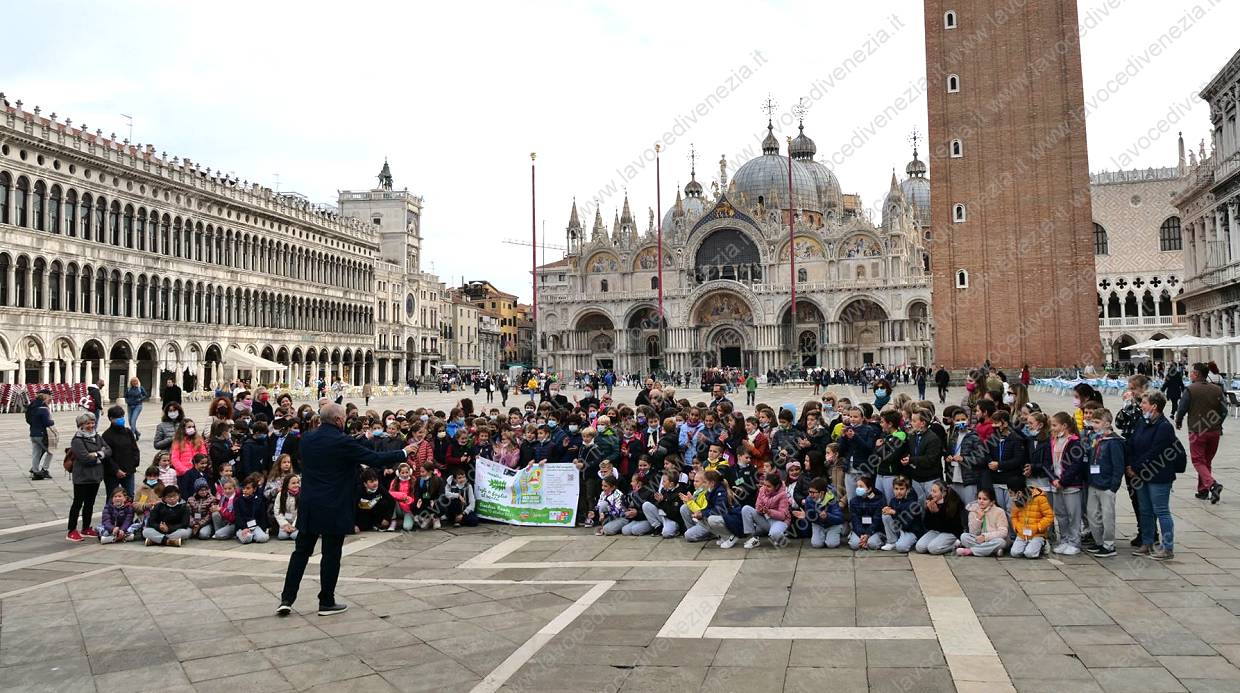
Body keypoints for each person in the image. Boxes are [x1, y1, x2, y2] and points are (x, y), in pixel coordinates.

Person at [279, 402, 416, 617]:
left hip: (310, 504)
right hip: (334, 504)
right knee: (331, 554)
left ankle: (286, 598)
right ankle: (326, 601)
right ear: (338, 420)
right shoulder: (342, 441)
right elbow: (373, 459)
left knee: (301, 552)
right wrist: (403, 453)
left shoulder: (306, 439)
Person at [1127, 391, 1179, 561]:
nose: (1141, 406)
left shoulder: (1164, 426)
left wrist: (1136, 467)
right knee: (1145, 510)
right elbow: (1133, 442)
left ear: (1154, 406)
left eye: (1144, 403)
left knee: (1161, 510)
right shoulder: (1142, 422)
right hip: (1141, 475)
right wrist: (1130, 464)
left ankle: (1167, 547)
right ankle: (1147, 542)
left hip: (1159, 475)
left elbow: (1156, 452)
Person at [1175, 362, 1226, 504]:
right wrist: (1218, 423)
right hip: (1214, 431)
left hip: (1197, 431)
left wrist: (1178, 421)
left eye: (1192, 372)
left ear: (1196, 374)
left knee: (1198, 460)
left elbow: (1182, 408)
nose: (1190, 374)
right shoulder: (1217, 390)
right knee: (1206, 461)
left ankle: (1213, 485)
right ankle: (1203, 490)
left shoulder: (1190, 389)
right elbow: (1224, 410)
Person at [67, 413, 110, 542]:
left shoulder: (97, 436)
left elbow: (108, 450)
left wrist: (96, 454)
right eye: (87, 423)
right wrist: (100, 455)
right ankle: (71, 530)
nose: (91, 426)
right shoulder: (77, 440)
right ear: (81, 425)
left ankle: (86, 527)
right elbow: (84, 458)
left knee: (90, 503)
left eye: (92, 423)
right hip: (82, 476)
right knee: (78, 503)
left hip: (95, 476)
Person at [1048, 412, 1087, 556]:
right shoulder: (1053, 440)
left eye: (1054, 425)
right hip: (1055, 484)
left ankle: (1074, 542)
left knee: (1073, 515)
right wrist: (1053, 478)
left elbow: (1075, 465)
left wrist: (1063, 481)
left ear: (1064, 426)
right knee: (1060, 514)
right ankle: (1064, 539)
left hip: (1071, 485)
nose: (1052, 428)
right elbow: (1048, 462)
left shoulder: (1075, 442)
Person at [741, 472, 791, 549]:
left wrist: (769, 511)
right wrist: (760, 509)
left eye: (768, 486)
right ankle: (753, 538)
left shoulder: (783, 494)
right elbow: (757, 507)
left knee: (775, 534)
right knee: (746, 509)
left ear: (776, 486)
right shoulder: (762, 490)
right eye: (764, 485)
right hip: (765, 519)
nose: (765, 487)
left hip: (779, 521)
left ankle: (781, 537)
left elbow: (783, 516)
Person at [101, 405, 140, 501]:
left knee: (129, 495)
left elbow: (135, 448)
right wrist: (116, 470)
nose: (121, 419)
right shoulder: (106, 435)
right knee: (112, 496)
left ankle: (128, 515)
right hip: (112, 473)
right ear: (111, 419)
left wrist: (134, 463)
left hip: (128, 470)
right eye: (118, 417)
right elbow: (107, 457)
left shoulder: (128, 432)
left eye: (122, 416)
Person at [1007, 478, 1053, 559]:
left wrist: (1038, 527)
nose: (1010, 495)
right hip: (1022, 533)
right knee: (1015, 553)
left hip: (1037, 533)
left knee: (1030, 554)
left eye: (1011, 493)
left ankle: (1044, 543)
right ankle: (1031, 545)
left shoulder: (1040, 498)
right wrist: (1017, 528)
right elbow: (1014, 516)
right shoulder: (1016, 501)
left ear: (1019, 493)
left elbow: (1049, 516)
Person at [915, 481, 964, 555]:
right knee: (920, 547)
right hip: (936, 531)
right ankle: (939, 543)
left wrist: (938, 512)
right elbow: (927, 525)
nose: (932, 494)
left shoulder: (954, 502)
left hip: (951, 532)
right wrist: (930, 512)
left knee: (933, 549)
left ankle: (955, 545)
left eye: (934, 491)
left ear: (943, 493)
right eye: (931, 491)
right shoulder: (931, 500)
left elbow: (953, 526)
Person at [957, 487, 1008, 557]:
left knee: (1001, 542)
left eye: (985, 499)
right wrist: (979, 519)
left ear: (992, 502)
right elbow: (973, 533)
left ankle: (971, 551)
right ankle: (992, 550)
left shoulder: (999, 511)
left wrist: (985, 537)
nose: (981, 501)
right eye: (979, 498)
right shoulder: (973, 511)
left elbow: (1003, 532)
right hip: (978, 540)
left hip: (993, 540)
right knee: (964, 536)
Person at [880, 476, 922, 553]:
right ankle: (892, 542)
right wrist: (886, 510)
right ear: (893, 489)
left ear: (907, 489)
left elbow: (906, 524)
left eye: (902, 489)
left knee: (901, 548)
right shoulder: (893, 500)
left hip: (911, 531)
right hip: (900, 529)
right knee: (885, 515)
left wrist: (894, 512)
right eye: (896, 489)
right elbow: (892, 518)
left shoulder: (913, 503)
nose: (899, 492)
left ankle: (911, 542)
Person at [848, 475, 887, 550]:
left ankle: (880, 539)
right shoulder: (853, 501)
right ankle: (857, 537)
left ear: (869, 489)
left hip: (875, 530)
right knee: (854, 545)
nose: (858, 489)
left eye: (861, 486)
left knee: (872, 544)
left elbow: (877, 521)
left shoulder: (879, 501)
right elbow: (855, 520)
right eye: (857, 486)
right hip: (860, 529)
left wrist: (868, 534)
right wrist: (862, 535)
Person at [26, 388, 55, 480]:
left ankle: (35, 471)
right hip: (41, 433)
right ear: (46, 397)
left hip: (33, 433)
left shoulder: (32, 406)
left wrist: (34, 424)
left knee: (36, 453)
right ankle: (44, 469)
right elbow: (47, 422)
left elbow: (28, 419)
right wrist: (52, 422)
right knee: (50, 451)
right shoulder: (43, 408)